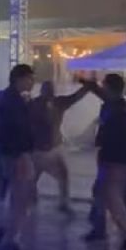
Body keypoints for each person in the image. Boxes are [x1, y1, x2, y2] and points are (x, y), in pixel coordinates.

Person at [83, 74, 126, 250]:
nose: (102, 89)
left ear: (109, 87)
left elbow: (125, 136)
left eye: (104, 86)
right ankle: (102, 228)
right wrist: (87, 84)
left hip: (115, 159)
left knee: (111, 196)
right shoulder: (118, 103)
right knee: (102, 193)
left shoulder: (119, 109)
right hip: (112, 157)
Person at [0, 64, 37, 250]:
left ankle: (8, 233)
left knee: (18, 197)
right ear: (20, 79)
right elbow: (17, 130)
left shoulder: (6, 98)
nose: (32, 82)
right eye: (30, 78)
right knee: (21, 198)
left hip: (10, 153)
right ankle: (11, 240)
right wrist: (21, 152)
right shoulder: (14, 102)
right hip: (17, 154)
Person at [29, 80, 90, 213]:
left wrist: (88, 87)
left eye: (51, 89)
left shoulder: (56, 103)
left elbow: (75, 97)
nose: (50, 91)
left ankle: (61, 203)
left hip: (50, 147)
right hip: (40, 148)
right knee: (35, 176)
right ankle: (33, 200)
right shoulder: (35, 105)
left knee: (59, 175)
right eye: (48, 89)